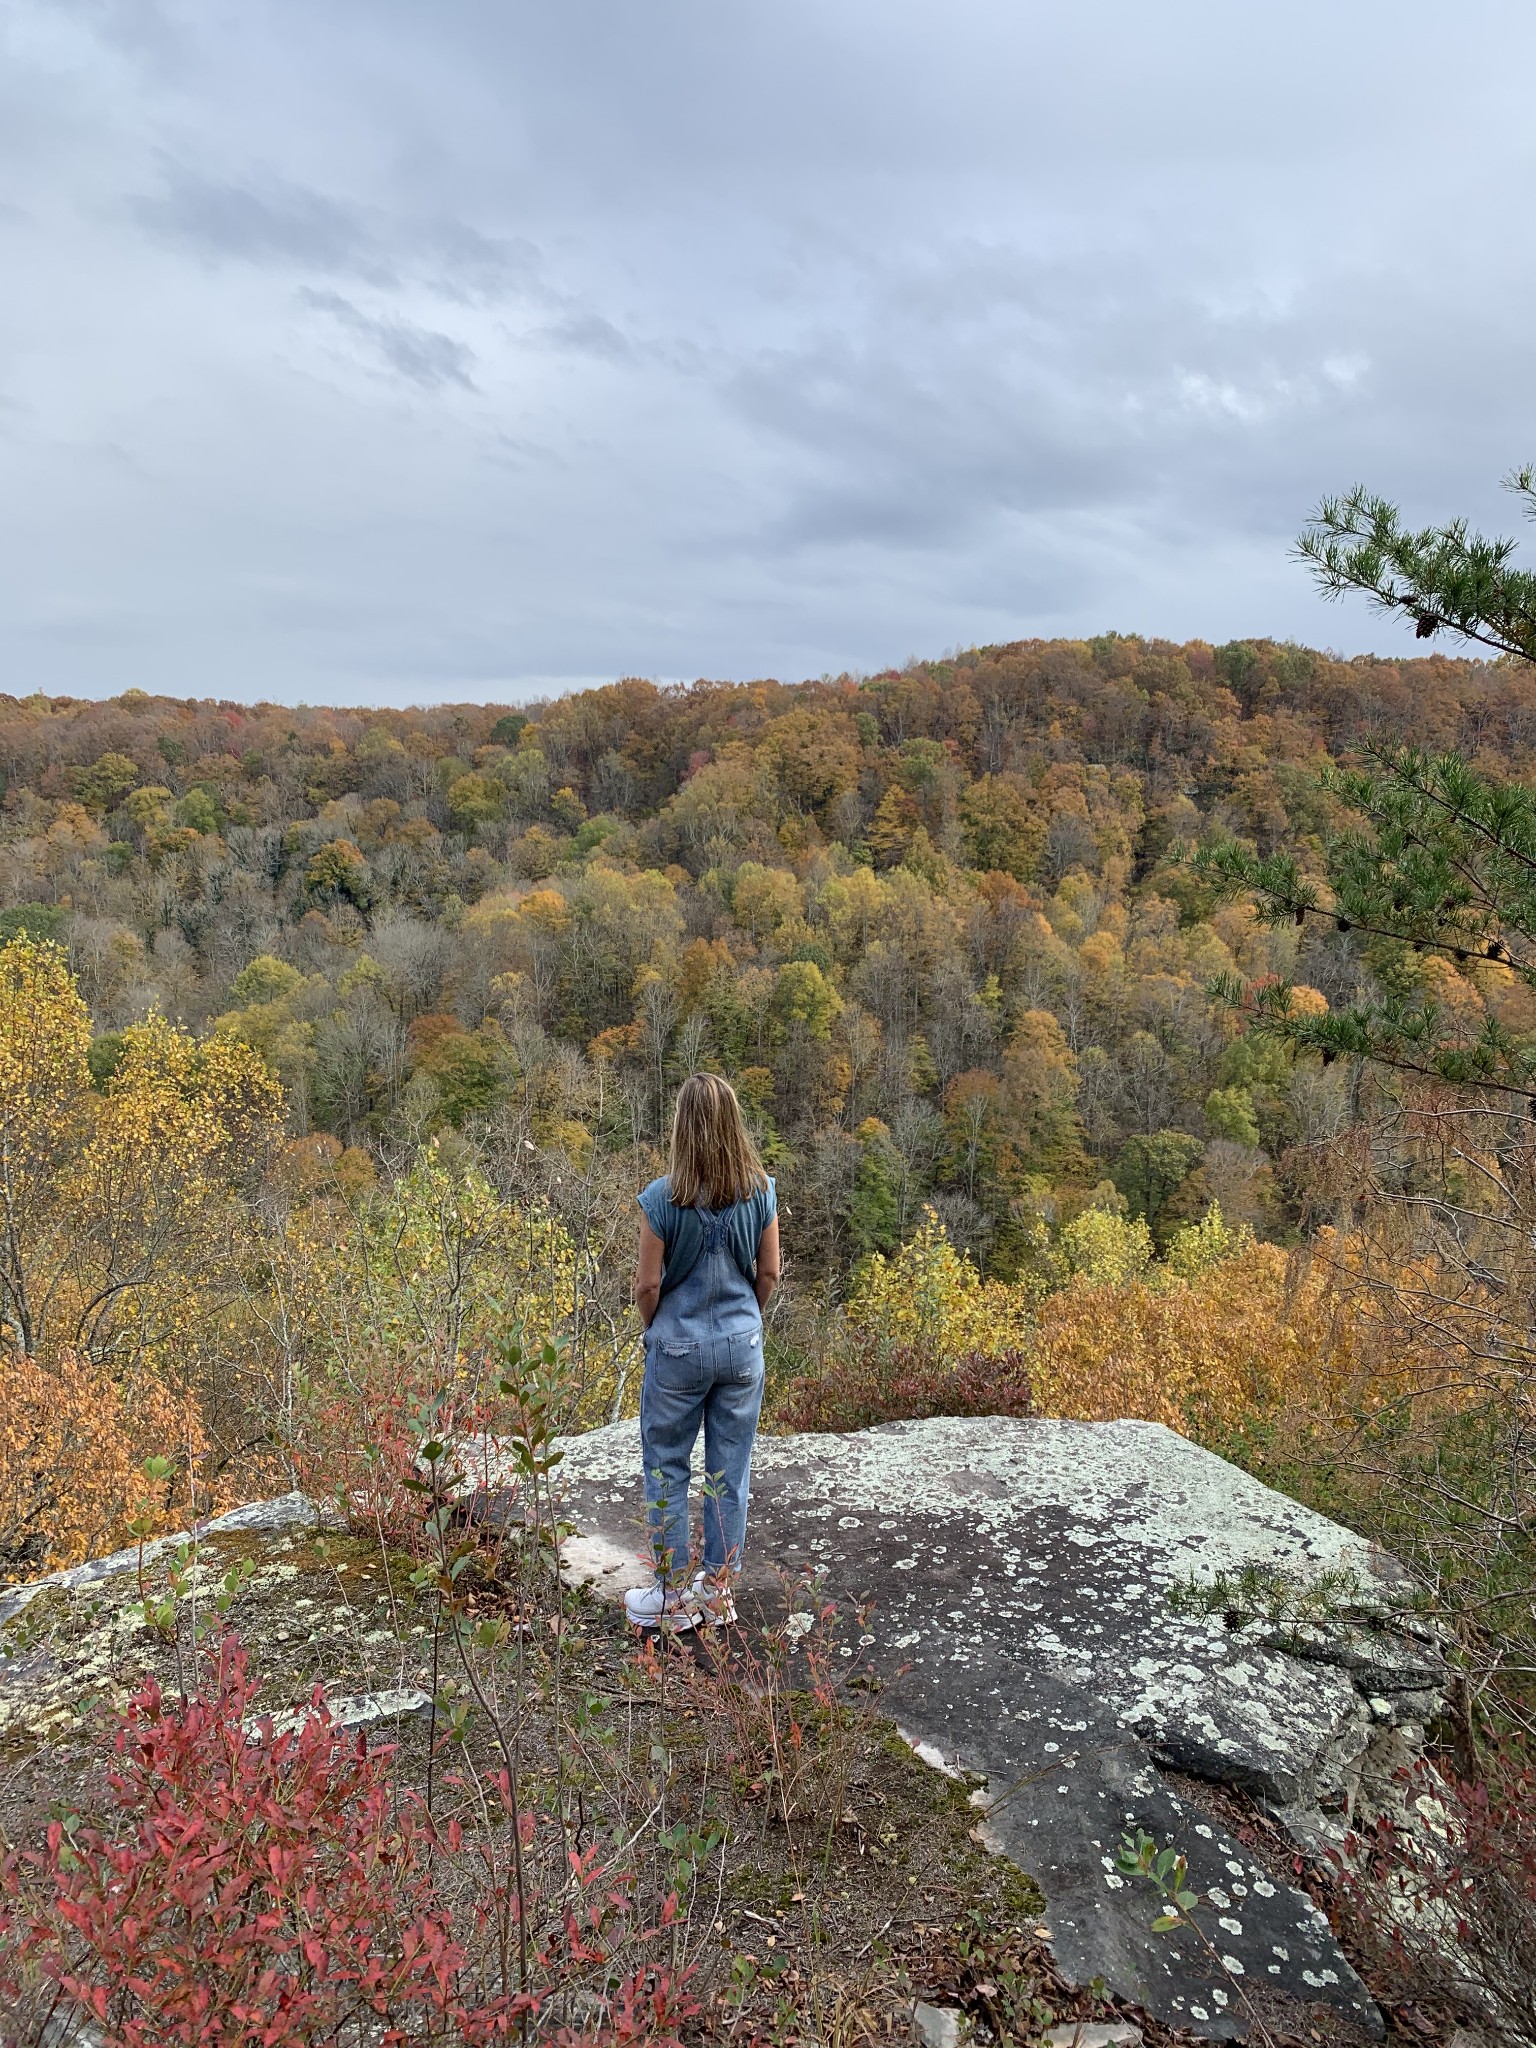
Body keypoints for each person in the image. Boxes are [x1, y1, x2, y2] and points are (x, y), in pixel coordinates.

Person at [624, 1073, 780, 1631]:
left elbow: (646, 1287)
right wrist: (745, 1319)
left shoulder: (662, 1199)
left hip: (678, 1347)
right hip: (742, 1345)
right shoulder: (761, 1191)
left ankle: (669, 1593)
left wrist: (657, 1326)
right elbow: (769, 1272)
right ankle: (716, 1591)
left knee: (667, 1462)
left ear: (681, 1128)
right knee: (729, 1469)